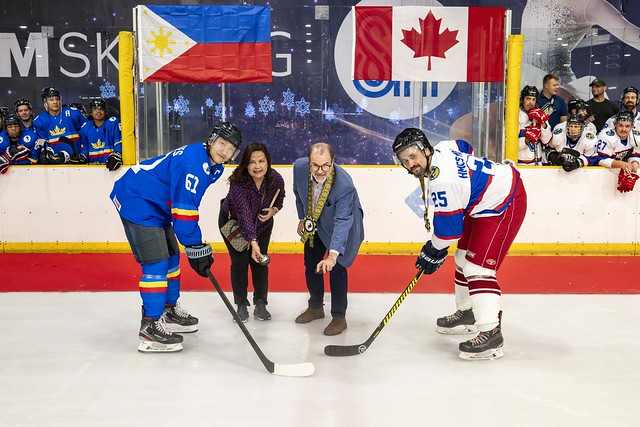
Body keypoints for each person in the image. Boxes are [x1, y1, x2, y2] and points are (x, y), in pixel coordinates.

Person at [392, 128, 527, 360]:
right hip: (485, 200)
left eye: (413, 155)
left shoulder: (442, 182)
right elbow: (464, 148)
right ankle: (468, 313)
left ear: (425, 149)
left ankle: (490, 332)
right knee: (462, 256)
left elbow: (449, 234)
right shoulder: (443, 147)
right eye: (404, 160)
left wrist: (432, 250)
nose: (410, 163)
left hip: (505, 200)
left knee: (478, 268)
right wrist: (470, 182)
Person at [110, 122, 243, 353]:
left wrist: (195, 248)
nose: (224, 150)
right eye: (222, 143)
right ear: (211, 140)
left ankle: (168, 309)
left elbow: (185, 206)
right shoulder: (194, 164)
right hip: (137, 199)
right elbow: (184, 215)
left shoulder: (214, 167)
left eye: (230, 148)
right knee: (157, 263)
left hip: (156, 204)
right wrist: (197, 247)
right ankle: (150, 326)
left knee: (172, 257)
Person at [292, 142, 364, 336]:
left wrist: (332, 256)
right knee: (311, 264)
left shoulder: (344, 185)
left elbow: (342, 221)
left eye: (326, 165)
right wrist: (302, 217)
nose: (320, 170)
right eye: (315, 165)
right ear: (308, 162)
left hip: (342, 227)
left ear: (333, 161)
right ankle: (316, 307)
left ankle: (339, 317)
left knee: (337, 269)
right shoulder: (299, 168)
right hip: (314, 222)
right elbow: (298, 193)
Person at [218, 142, 285, 322]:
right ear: (245, 164)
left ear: (268, 162)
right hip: (234, 224)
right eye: (252, 162)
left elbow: (280, 197)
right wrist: (253, 244)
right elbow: (244, 216)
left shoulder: (276, 179)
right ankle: (241, 304)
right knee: (240, 262)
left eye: (261, 161)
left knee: (260, 262)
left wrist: (274, 211)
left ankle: (261, 303)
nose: (257, 167)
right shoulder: (238, 183)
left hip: (262, 225)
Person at [32, 86, 87, 164]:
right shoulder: (39, 121)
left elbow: (88, 134)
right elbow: (42, 141)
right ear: (45, 102)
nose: (55, 102)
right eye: (51, 99)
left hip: (77, 162)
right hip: (55, 165)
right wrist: (48, 152)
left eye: (57, 99)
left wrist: (83, 154)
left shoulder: (72, 113)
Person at [79, 98, 123, 171]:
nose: (98, 111)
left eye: (101, 108)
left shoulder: (113, 123)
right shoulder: (85, 127)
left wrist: (117, 154)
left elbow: (119, 142)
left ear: (105, 112)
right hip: (92, 168)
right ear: (91, 113)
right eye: (95, 109)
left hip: (111, 167)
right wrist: (82, 156)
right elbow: (85, 147)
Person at [596, 110, 640, 178]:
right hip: (600, 173)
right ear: (615, 124)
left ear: (632, 126)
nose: (623, 129)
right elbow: (600, 160)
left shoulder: (635, 137)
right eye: (621, 125)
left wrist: (634, 163)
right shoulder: (606, 137)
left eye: (627, 126)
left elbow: (635, 155)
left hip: (618, 172)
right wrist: (621, 164)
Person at [518, 85, 552, 165]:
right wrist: (527, 138)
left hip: (537, 165)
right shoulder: (516, 117)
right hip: (520, 164)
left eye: (533, 99)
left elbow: (546, 140)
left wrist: (542, 123)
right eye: (528, 99)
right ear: (522, 100)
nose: (531, 102)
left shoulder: (540, 115)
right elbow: (510, 147)